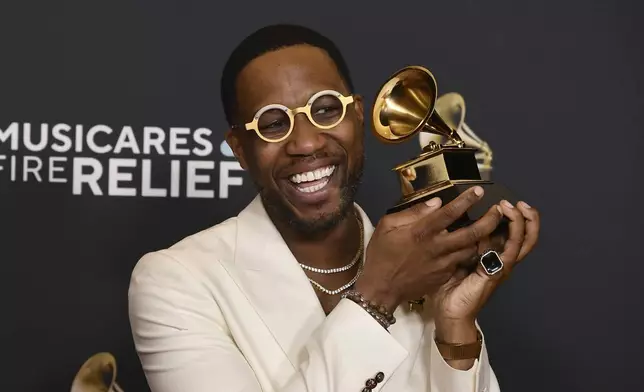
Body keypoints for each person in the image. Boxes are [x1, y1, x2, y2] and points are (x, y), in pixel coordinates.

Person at [128, 24, 540, 392]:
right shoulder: (175, 283)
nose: (306, 142)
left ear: (358, 115)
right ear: (240, 149)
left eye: (325, 110)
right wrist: (377, 294)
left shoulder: (426, 266)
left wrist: (455, 327)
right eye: (273, 123)